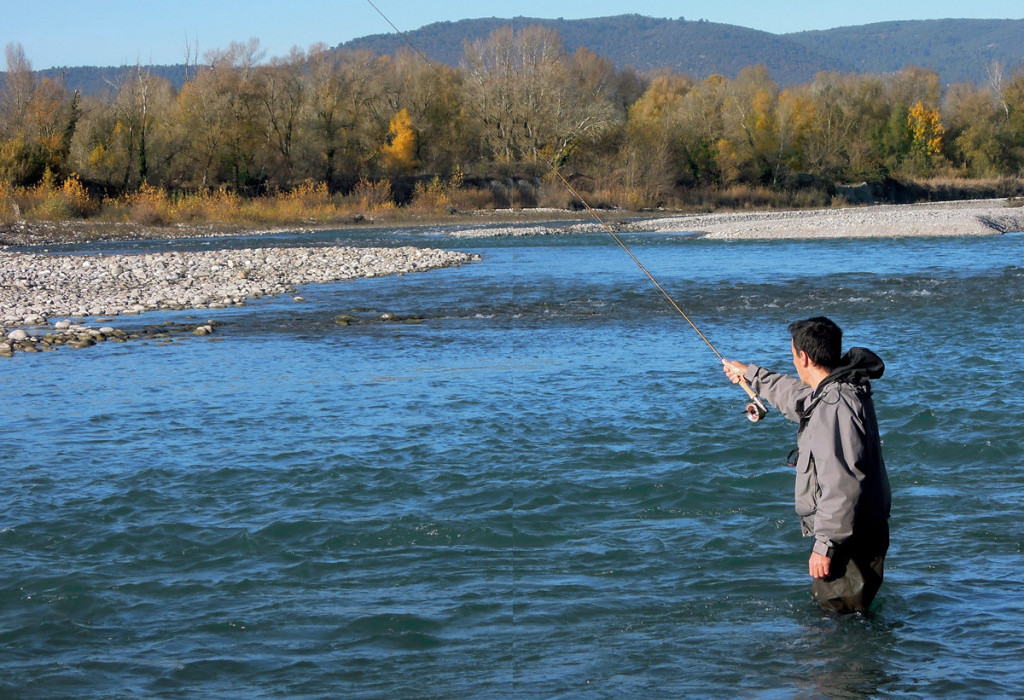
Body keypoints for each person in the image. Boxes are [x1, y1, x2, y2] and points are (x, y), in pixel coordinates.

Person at [722, 317, 891, 613]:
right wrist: (750, 375)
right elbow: (797, 397)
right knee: (841, 621)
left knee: (835, 630)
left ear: (804, 357)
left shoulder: (835, 405)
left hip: (848, 538)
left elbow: (843, 483)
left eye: (793, 355)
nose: (794, 361)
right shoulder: (835, 391)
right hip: (852, 531)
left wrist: (824, 545)